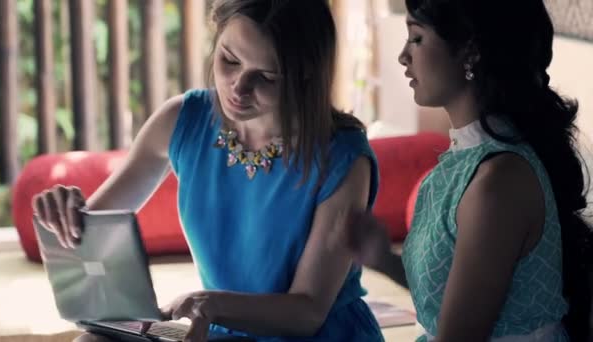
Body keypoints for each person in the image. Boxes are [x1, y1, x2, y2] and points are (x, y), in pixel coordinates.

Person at [31, 0, 384, 341]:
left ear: (306, 75)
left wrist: (210, 303)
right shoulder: (184, 119)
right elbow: (92, 238)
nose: (238, 88)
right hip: (221, 331)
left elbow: (308, 312)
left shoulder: (342, 157)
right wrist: (71, 214)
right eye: (229, 60)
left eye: (265, 77)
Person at [343, 0, 593, 340]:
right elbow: (455, 296)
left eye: (416, 38)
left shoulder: (499, 182)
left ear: (470, 52)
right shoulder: (471, 160)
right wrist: (384, 259)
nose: (403, 56)